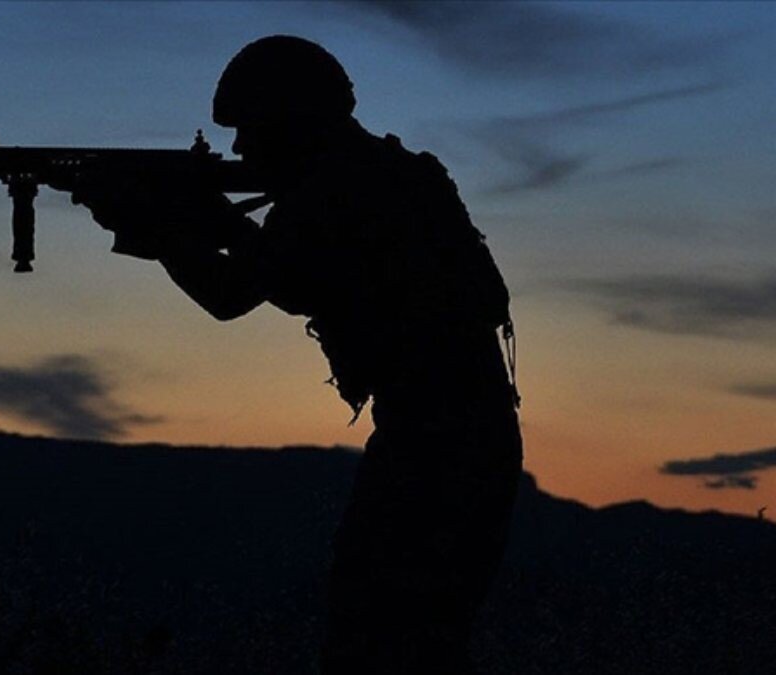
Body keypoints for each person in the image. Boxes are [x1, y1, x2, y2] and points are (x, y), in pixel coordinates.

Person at [73, 35, 523, 675]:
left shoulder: (340, 189)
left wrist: (161, 228)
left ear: (292, 120)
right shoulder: (377, 176)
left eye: (250, 129)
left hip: (440, 443)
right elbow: (281, 273)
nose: (238, 148)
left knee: (383, 639)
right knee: (409, 639)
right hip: (451, 436)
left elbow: (235, 293)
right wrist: (189, 223)